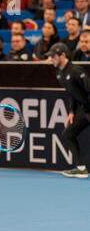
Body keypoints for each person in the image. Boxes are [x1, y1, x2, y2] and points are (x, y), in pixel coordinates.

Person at [47, 42, 89, 178]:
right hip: (85, 110)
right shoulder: (60, 74)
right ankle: (81, 168)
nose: (51, 59)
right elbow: (72, 94)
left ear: (63, 55)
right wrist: (72, 111)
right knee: (68, 133)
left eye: (53, 56)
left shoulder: (76, 70)